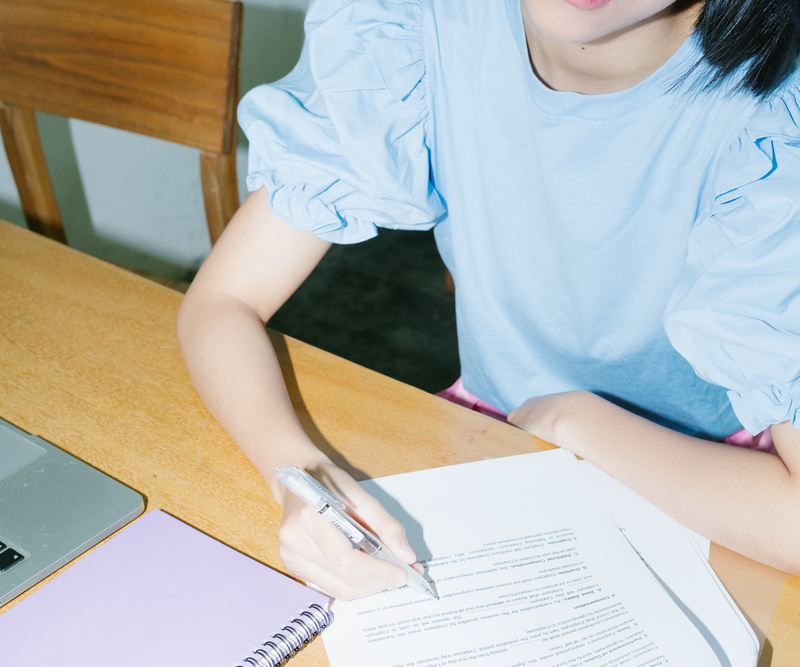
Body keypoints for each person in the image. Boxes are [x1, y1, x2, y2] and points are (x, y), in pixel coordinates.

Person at [177, 0, 800, 598]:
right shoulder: (417, 26)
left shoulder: (780, 121)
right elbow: (222, 300)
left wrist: (574, 420)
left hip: (714, 479)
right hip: (491, 439)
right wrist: (299, 479)